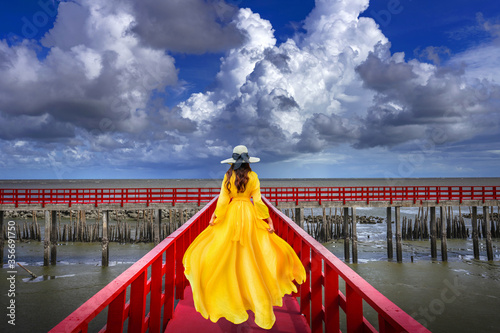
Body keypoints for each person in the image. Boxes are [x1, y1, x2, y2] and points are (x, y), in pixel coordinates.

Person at [183, 145, 306, 330]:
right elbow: (257, 201)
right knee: (251, 254)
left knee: (227, 254)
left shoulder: (228, 177)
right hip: (249, 216)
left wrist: (216, 216)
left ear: (232, 162)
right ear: (248, 162)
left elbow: (223, 200)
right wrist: (268, 219)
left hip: (231, 216)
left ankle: (233, 293)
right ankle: (252, 295)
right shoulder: (254, 177)